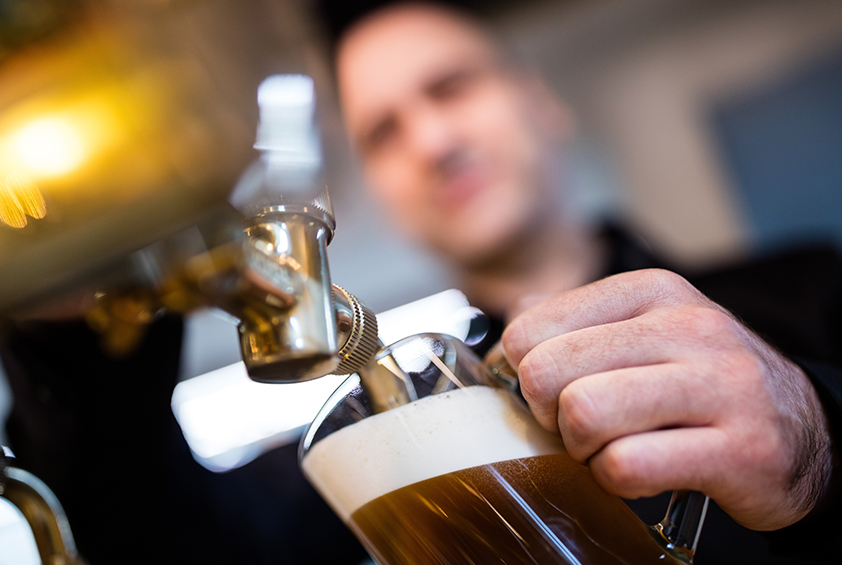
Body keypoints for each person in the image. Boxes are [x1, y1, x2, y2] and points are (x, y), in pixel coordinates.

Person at [322, 0, 842, 562]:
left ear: (541, 101)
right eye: (383, 134)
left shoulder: (811, 290)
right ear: (380, 197)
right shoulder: (390, 462)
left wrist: (817, 458)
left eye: (451, 87)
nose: (431, 143)